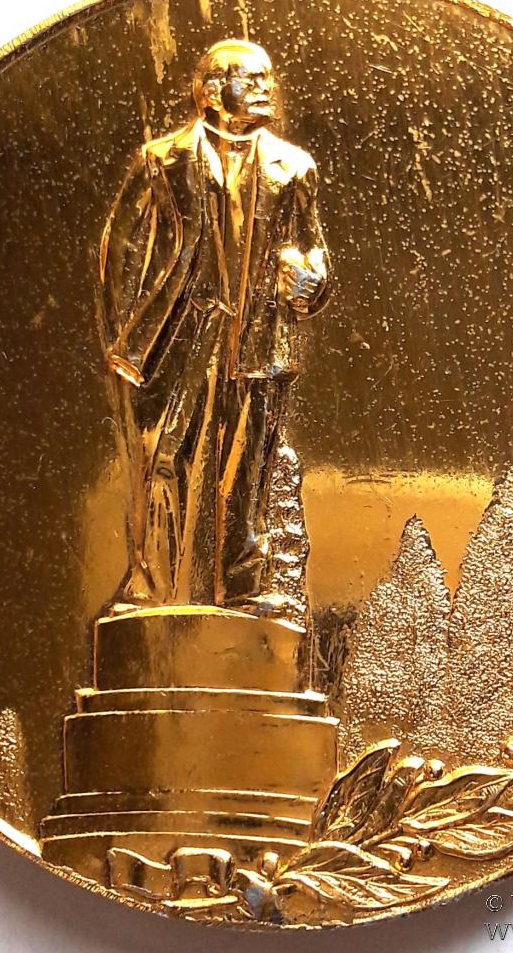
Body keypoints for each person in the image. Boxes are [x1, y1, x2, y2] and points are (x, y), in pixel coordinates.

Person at [97, 39, 330, 612]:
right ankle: (148, 587)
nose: (265, 88)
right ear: (208, 91)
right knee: (163, 457)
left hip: (258, 340)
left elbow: (315, 252)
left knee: (248, 470)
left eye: (268, 78)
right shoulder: (162, 159)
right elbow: (119, 249)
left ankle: (245, 586)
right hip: (180, 337)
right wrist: (125, 336)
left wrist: (310, 282)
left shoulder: (295, 168)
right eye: (250, 78)